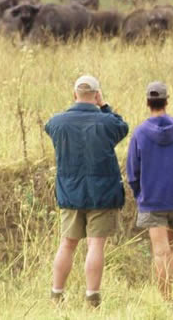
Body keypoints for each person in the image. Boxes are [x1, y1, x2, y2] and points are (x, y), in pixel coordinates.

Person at [45, 75, 129, 307]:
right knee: (96, 245)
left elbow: (50, 126)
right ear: (96, 95)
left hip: (70, 194)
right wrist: (104, 106)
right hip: (102, 195)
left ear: (74, 95)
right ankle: (92, 297)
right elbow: (122, 126)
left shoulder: (57, 122)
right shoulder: (107, 122)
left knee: (67, 244)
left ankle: (56, 294)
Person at [126, 81, 173, 316]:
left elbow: (132, 171)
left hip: (153, 200)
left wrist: (141, 194)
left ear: (148, 102)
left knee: (160, 252)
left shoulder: (139, 132)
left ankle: (166, 302)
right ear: (167, 101)